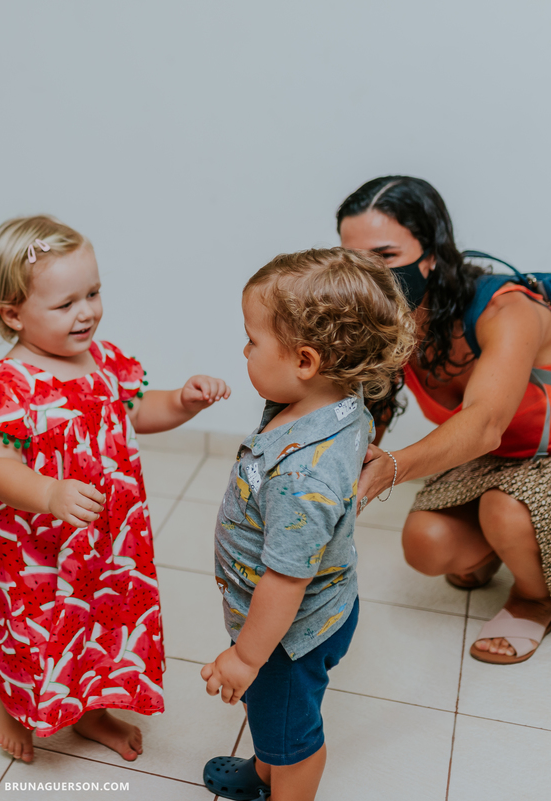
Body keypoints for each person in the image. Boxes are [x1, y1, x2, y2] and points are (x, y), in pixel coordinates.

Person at [340, 175, 551, 664]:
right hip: (512, 459)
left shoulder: (507, 309)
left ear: (430, 253)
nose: (367, 274)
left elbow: (485, 422)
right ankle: (508, 545)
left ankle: (536, 600)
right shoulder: (398, 317)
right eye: (352, 260)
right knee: (426, 545)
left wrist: (391, 465)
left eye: (384, 256)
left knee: (503, 508)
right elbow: (375, 409)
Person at [0, 215, 230, 763]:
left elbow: (137, 411)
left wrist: (182, 401)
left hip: (104, 535)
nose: (87, 312)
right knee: (32, 629)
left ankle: (92, 709)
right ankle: (15, 702)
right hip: (32, 543)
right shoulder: (10, 383)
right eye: (65, 304)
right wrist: (49, 493)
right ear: (13, 313)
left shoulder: (103, 362)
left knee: (103, 620)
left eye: (94, 293)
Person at [201, 248, 415, 801]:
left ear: (305, 361)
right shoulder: (337, 400)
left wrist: (246, 657)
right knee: (273, 721)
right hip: (312, 610)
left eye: (252, 339)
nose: (243, 349)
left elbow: (286, 579)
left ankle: (284, 780)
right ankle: (263, 769)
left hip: (285, 636)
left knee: (294, 736)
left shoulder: (303, 478)